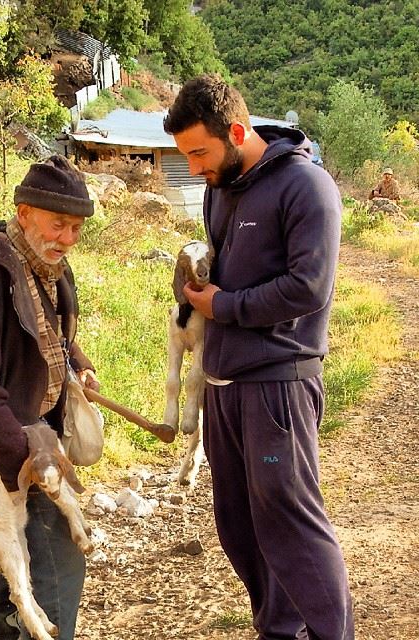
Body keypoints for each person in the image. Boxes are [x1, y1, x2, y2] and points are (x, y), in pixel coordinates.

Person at [163, 74, 354, 640]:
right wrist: (195, 290)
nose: (195, 166)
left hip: (278, 384)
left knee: (290, 524)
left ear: (238, 132)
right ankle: (279, 629)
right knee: (240, 528)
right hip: (223, 383)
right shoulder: (218, 187)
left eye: (199, 152)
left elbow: (308, 288)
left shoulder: (306, 187)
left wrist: (225, 306)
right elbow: (220, 274)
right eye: (186, 155)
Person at [0, 155, 99, 640]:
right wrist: (28, 462)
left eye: (75, 228)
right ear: (23, 212)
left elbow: (48, 333)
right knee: (54, 563)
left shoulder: (47, 265)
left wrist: (79, 363)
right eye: (58, 224)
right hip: (8, 447)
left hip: (38, 435)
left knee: (18, 563)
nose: (68, 238)